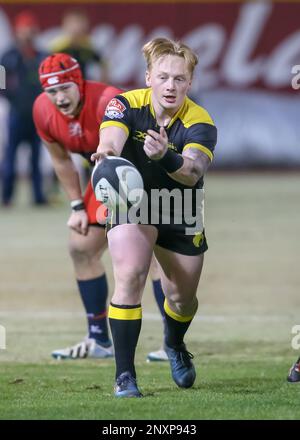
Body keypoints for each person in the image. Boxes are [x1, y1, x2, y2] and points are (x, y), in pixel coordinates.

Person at [91, 37, 217, 397]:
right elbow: (111, 141)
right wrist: (105, 155)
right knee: (130, 275)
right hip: (132, 202)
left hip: (179, 207)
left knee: (181, 299)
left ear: (190, 83)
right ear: (148, 77)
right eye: (163, 77)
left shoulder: (200, 121)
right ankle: (125, 376)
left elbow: (193, 172)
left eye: (179, 79)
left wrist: (166, 156)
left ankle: (174, 343)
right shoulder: (124, 105)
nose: (171, 86)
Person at [33, 52, 166, 360]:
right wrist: (77, 205)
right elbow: (60, 158)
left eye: (65, 88)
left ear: (79, 82)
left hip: (142, 172)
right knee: (81, 247)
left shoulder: (108, 100)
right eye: (51, 91)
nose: (59, 97)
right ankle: (98, 341)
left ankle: (171, 345)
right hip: (107, 177)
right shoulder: (42, 110)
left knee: (156, 257)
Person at [1, 11, 47, 206]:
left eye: (30, 29)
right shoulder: (8, 56)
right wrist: (14, 99)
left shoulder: (43, 56)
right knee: (10, 156)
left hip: (37, 116)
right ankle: (7, 197)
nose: (27, 33)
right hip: (17, 115)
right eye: (23, 29)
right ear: (17, 31)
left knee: (37, 159)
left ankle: (38, 197)